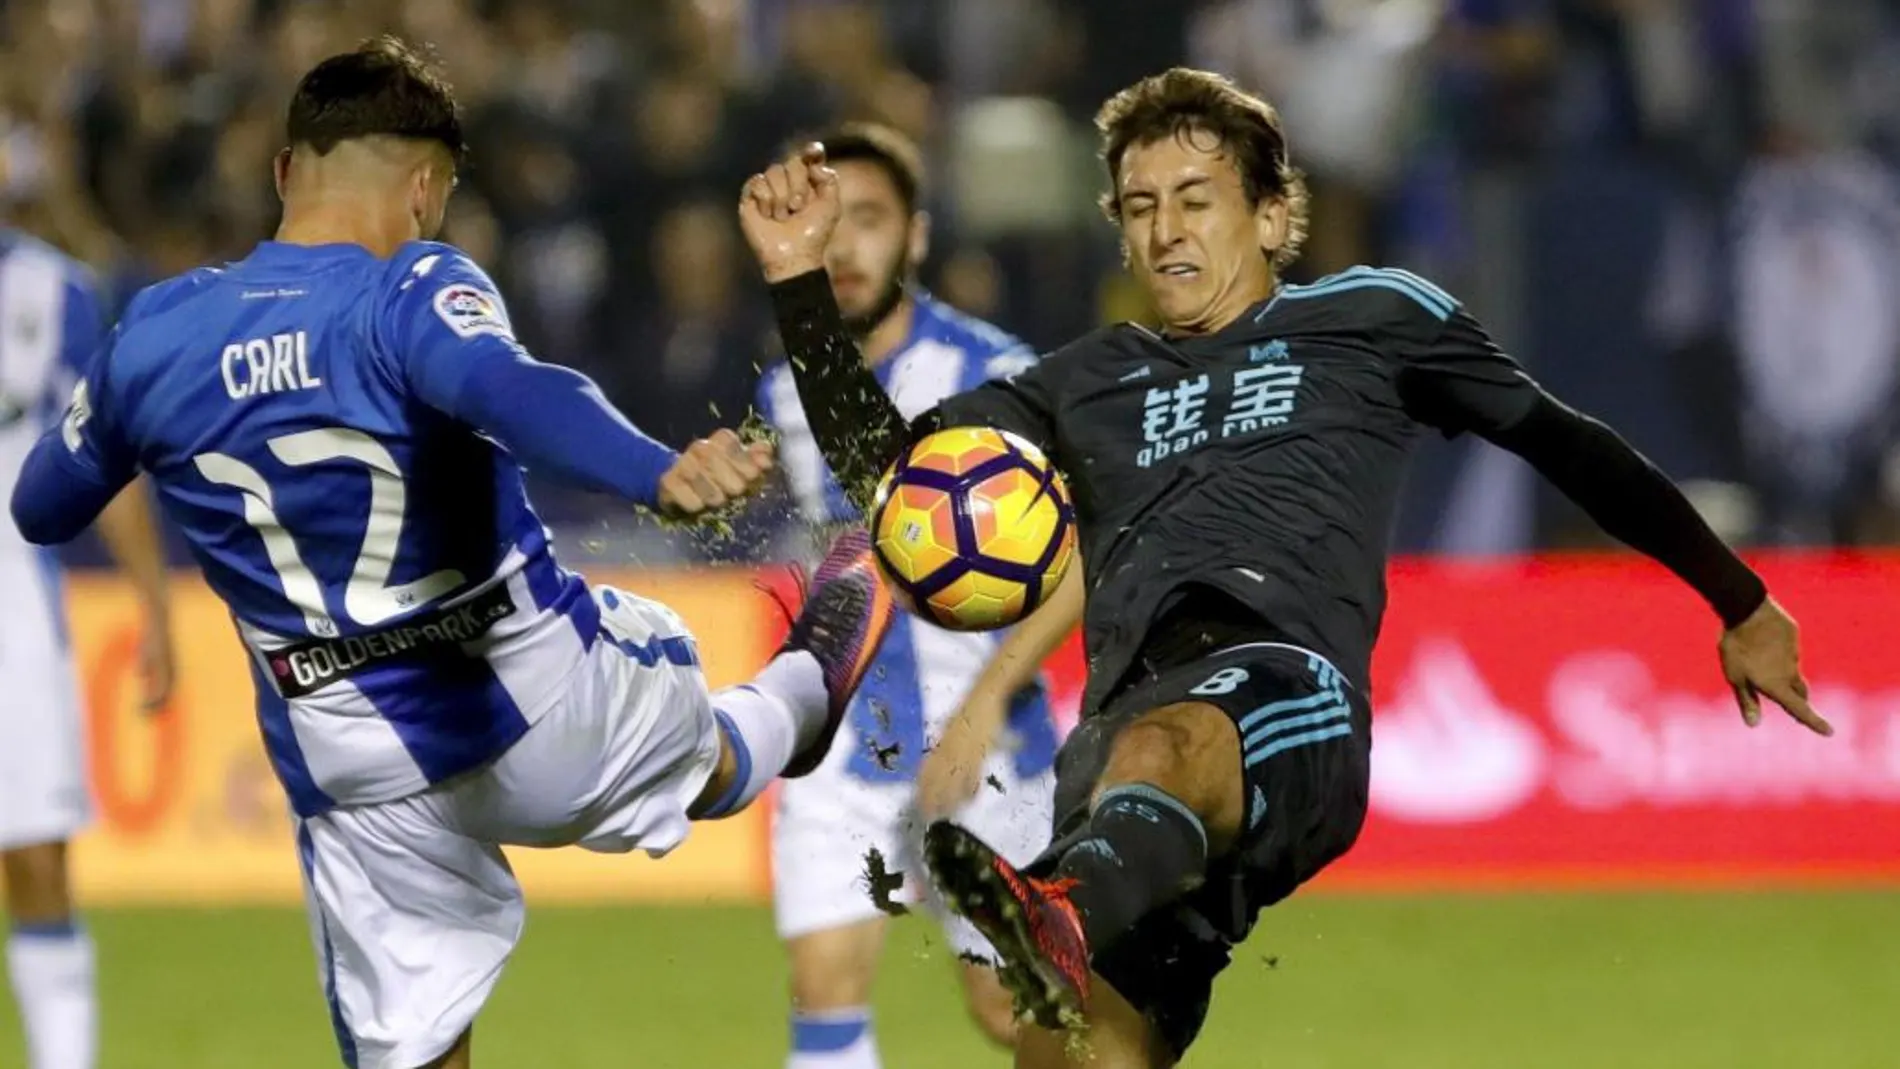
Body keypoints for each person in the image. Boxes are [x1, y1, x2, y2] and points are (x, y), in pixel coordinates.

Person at [737, 68, 1832, 1069]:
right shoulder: (1083, 381)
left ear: (1270, 214)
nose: (1165, 227)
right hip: (1120, 768)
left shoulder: (1372, 318)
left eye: (1194, 197)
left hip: (1283, 696)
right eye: (1138, 205)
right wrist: (797, 287)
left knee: (1173, 745)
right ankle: (1074, 906)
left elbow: (1566, 442)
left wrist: (1735, 597)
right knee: (1067, 1057)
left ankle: (1062, 900)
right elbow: (896, 479)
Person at [10, 38, 893, 1069]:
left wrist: (143, 413)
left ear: (285, 171)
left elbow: (39, 505)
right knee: (713, 754)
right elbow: (511, 388)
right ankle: (810, 680)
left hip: (350, 756)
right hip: (533, 696)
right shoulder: (412, 289)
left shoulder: (153, 332)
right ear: (425, 190)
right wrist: (652, 469)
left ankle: (793, 693)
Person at [755, 122, 1082, 1069]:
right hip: (847, 746)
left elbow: (1078, 560)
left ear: (918, 235)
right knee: (823, 992)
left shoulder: (1001, 376)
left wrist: (982, 709)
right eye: (829, 223)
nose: (845, 246)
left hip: (990, 750)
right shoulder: (790, 389)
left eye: (871, 219)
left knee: (1011, 1009)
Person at [0, 226, 174, 1069]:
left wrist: (156, 606)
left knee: (34, 857)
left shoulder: (54, 289)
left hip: (15, 613)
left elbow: (96, 454)